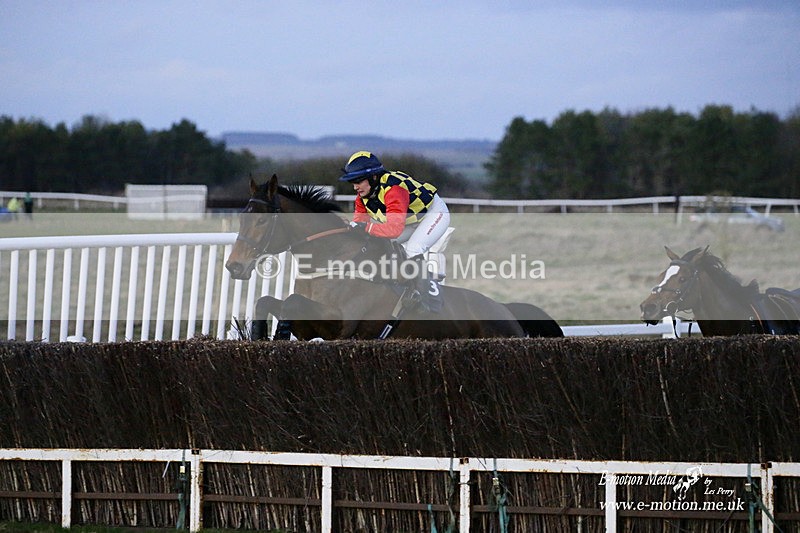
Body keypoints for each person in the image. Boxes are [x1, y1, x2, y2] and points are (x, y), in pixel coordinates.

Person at [338, 150, 451, 305]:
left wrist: (365, 228)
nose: (355, 187)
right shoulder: (362, 198)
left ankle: (427, 299)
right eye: (353, 182)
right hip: (409, 221)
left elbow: (393, 230)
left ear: (374, 177)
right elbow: (360, 227)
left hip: (433, 214)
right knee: (381, 245)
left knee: (413, 249)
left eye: (358, 181)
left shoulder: (394, 190)